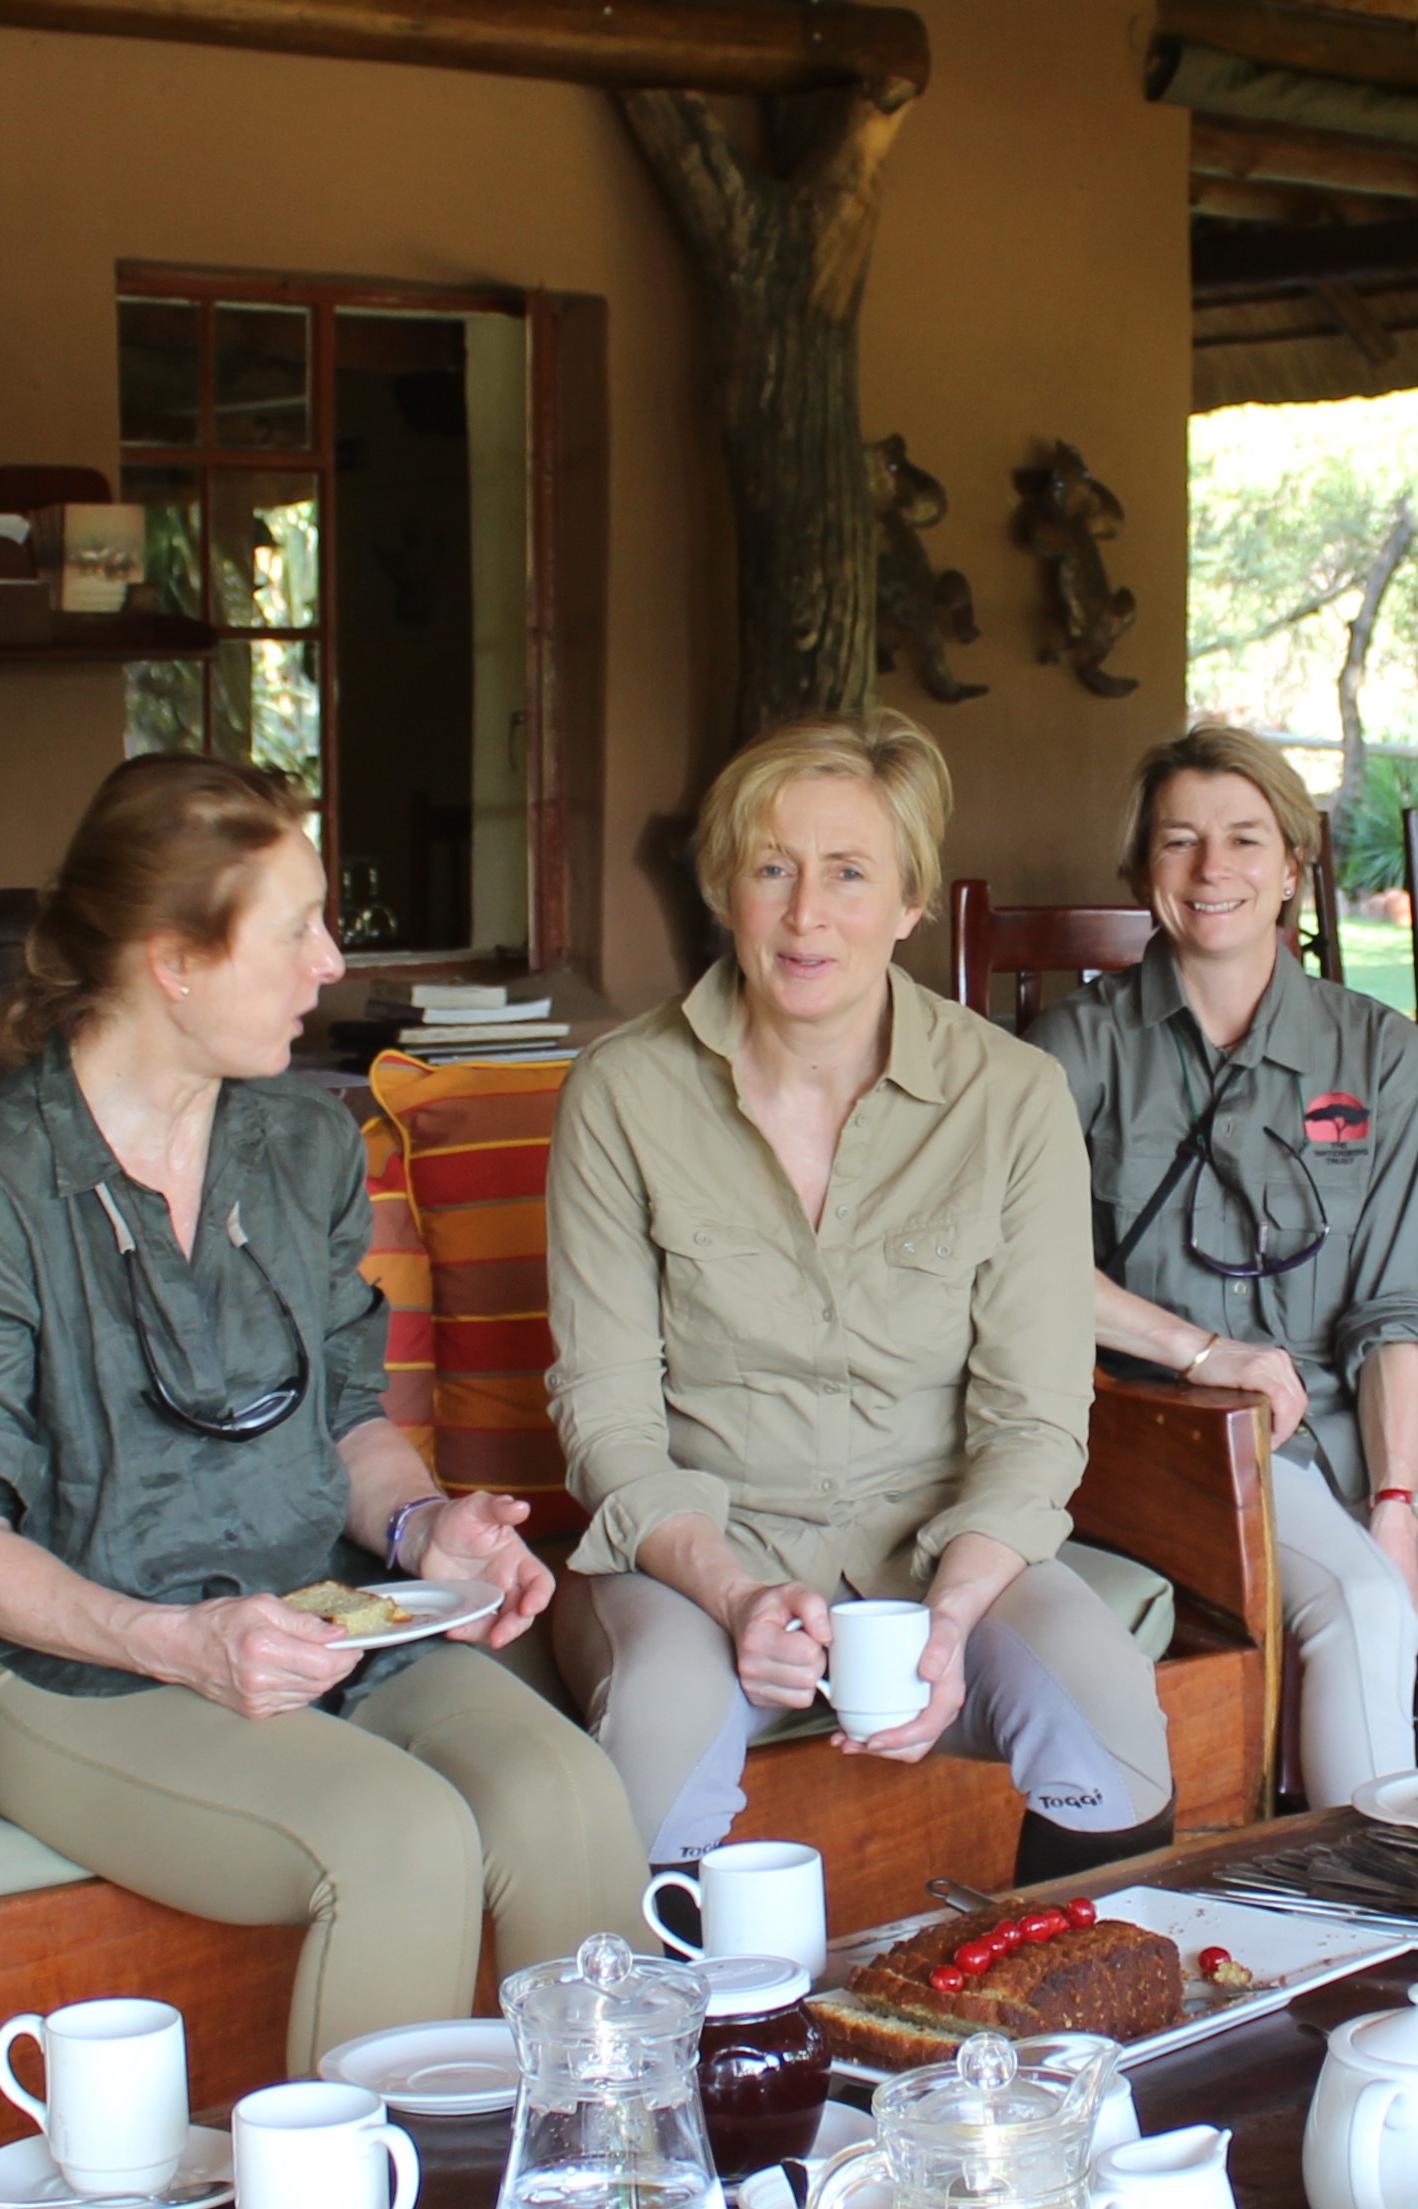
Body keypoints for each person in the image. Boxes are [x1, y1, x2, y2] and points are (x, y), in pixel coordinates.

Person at [0, 752, 643, 2073]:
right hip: (77, 1671)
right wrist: (179, 1642)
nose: (329, 964)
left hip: (318, 1618)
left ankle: (601, 2154)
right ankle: (368, 2166)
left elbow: (345, 1416)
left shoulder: (302, 1144)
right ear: (175, 961)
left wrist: (421, 1531)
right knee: (400, 1838)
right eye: (294, 930)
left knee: (568, 1795)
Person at [546, 714, 1176, 1881]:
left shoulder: (1011, 1096)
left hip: (938, 1548)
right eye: (770, 869)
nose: (806, 914)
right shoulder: (622, 1091)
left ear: (909, 901)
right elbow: (606, 1413)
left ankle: (1044, 1999)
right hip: (700, 1552)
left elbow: (1036, 1417)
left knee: (1110, 1719)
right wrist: (737, 1593)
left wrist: (955, 1614)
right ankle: (679, 2007)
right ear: (723, 889)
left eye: (847, 873)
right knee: (659, 1737)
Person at [1032, 725, 1418, 1808]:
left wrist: (1395, 1504)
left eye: (1246, 838)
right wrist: (1201, 1351)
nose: (1213, 868)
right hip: (1173, 1426)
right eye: (1179, 840)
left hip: (1360, 1411)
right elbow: (1020, 1266)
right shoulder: (1075, 1047)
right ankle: (1378, 1883)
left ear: (1293, 866)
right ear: (1142, 870)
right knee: (1363, 1613)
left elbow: (1399, 1306)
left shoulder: (1378, 1051)